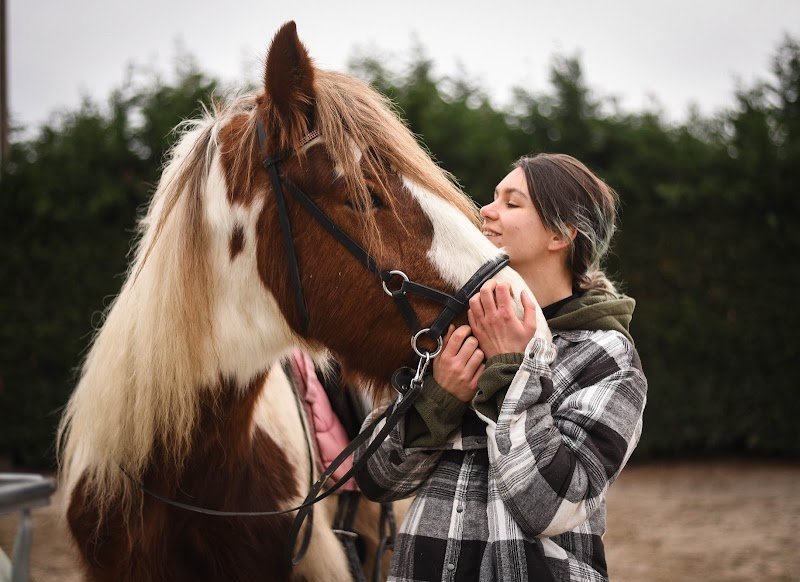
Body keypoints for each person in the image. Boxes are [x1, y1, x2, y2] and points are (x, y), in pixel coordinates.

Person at [355, 153, 647, 581]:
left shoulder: (608, 357)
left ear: (562, 234)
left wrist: (511, 370)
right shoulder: (452, 329)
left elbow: (551, 506)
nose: (485, 212)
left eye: (512, 203)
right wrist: (438, 400)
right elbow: (375, 479)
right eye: (493, 198)